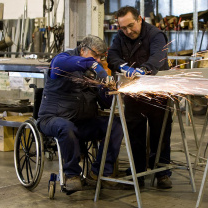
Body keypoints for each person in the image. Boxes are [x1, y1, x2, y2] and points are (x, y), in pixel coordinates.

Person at [38, 35, 124, 192]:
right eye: (95, 55)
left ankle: (99, 173)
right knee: (66, 127)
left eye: (100, 57)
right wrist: (94, 66)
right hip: (53, 119)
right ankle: (72, 175)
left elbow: (105, 103)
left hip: (81, 123)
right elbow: (70, 63)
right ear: (83, 50)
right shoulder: (62, 60)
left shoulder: (93, 72)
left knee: (115, 126)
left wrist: (108, 89)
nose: (98, 60)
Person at [107, 6, 173, 189]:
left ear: (140, 19)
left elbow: (159, 57)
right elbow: (111, 56)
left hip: (158, 93)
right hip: (133, 94)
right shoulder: (120, 37)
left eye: (131, 26)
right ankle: (137, 173)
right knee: (135, 135)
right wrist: (122, 66)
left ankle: (162, 173)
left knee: (160, 134)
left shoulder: (156, 35)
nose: (128, 31)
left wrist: (144, 69)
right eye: (123, 28)